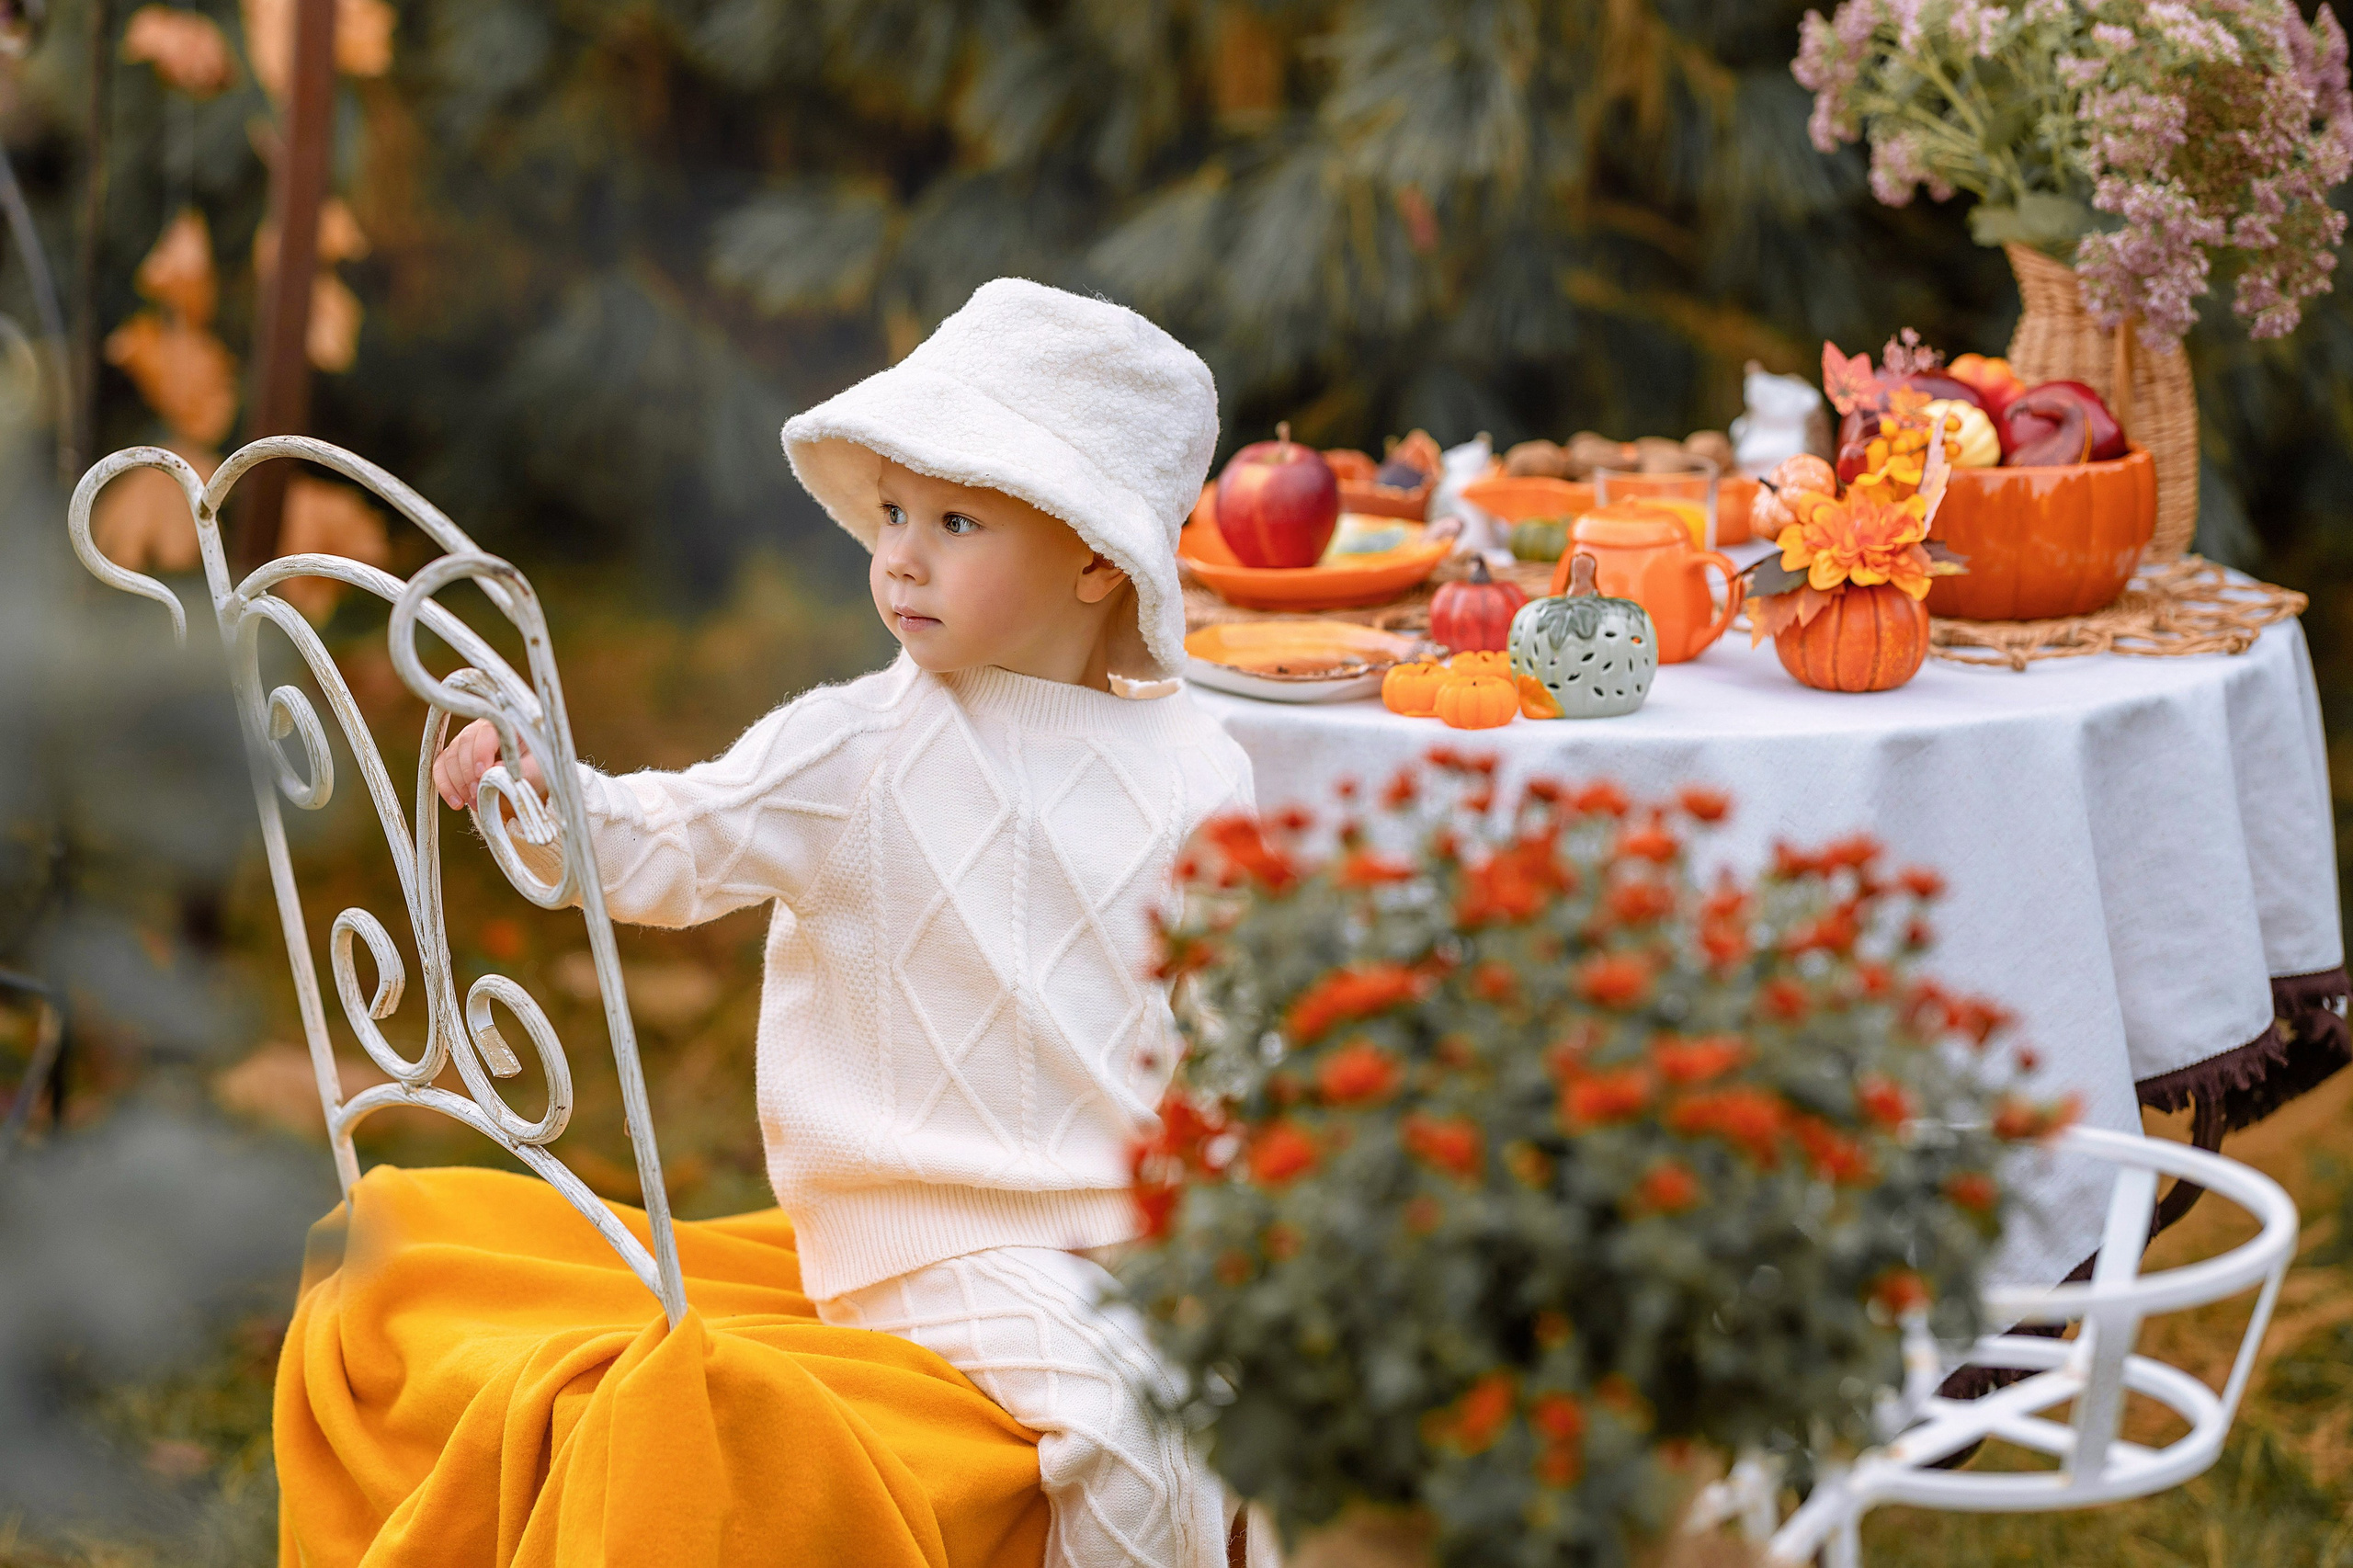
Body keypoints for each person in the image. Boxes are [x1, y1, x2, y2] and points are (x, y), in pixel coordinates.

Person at [431, 278, 1267, 1568]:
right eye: (889, 512)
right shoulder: (861, 747)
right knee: (1131, 1422)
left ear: (1097, 553)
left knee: (1276, 1405)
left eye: (954, 519)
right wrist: (536, 792)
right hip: (936, 1236)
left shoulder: (1196, 763)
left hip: (1132, 1222)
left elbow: (1232, 1014)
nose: (900, 555)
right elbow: (664, 842)